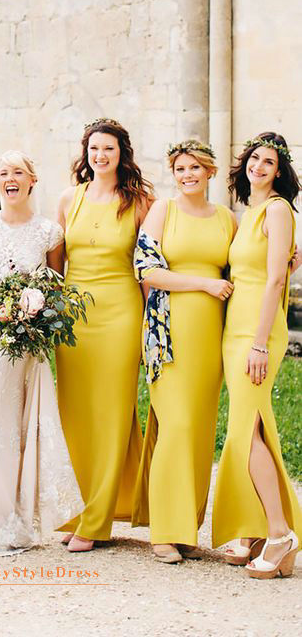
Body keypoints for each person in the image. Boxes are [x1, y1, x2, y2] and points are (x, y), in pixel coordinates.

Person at [0, 150, 83, 555]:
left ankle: (15, 518)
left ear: (32, 181)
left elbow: (55, 285)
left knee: (16, 424)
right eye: (2, 173)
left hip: (26, 340)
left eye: (18, 173)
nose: (9, 179)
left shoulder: (49, 232)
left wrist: (33, 312)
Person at [131, 140, 235, 563]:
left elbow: (243, 267)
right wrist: (205, 284)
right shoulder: (163, 211)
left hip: (211, 336)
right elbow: (148, 269)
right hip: (166, 332)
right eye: (180, 168)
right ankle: (164, 531)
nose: (188, 174)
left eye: (195, 167)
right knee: (176, 424)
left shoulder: (228, 218)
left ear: (209, 172)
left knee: (199, 430)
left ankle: (187, 526)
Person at [55, 119, 153, 552]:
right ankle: (92, 504)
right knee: (75, 414)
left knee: (113, 412)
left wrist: (152, 319)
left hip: (120, 315)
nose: (100, 155)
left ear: (121, 153)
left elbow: (151, 266)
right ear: (86, 152)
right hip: (72, 320)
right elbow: (56, 265)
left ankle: (96, 522)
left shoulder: (140, 203)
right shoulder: (68, 199)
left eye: (108, 149)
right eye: (94, 148)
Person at [212, 132, 302, 578]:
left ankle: (280, 532)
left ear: (280, 171)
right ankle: (257, 530)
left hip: (258, 331)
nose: (259, 166)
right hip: (236, 327)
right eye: (253, 158)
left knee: (247, 430)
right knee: (252, 428)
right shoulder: (248, 212)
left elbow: (274, 283)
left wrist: (261, 342)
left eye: (269, 162)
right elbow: (270, 266)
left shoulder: (278, 209)